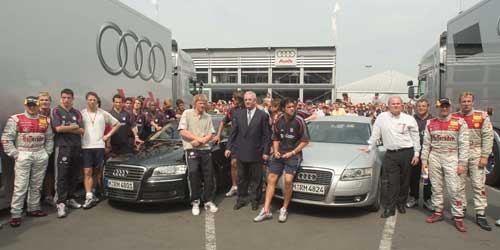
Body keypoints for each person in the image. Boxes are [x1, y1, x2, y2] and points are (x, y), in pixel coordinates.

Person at [362, 96, 420, 218]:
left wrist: (416, 153)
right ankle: (390, 208)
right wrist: (369, 147)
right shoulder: (381, 118)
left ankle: (401, 203)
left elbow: (415, 137)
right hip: (391, 154)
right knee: (392, 182)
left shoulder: (409, 119)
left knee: (405, 181)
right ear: (388, 105)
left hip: (407, 153)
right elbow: (375, 134)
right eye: (393, 103)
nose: (396, 105)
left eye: (398, 103)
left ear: (402, 105)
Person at [254, 97, 310, 223]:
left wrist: (292, 152)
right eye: (289, 107)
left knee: (288, 181)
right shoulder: (278, 120)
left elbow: (305, 141)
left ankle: (284, 208)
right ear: (283, 109)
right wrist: (276, 150)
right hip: (280, 154)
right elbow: (275, 138)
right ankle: (266, 210)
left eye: (293, 106)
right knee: (271, 178)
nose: (292, 109)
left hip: (293, 155)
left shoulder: (299, 121)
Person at [2, 96, 53, 227]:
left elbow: (49, 138)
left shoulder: (44, 119)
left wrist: (47, 153)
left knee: (37, 184)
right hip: (23, 153)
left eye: (34, 105)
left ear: (38, 105)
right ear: (25, 105)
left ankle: (33, 208)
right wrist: (15, 154)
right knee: (20, 186)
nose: (31, 107)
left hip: (40, 153)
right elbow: (6, 139)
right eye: (29, 105)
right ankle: (16, 214)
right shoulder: (16, 119)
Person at [421, 98, 469, 232]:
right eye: (442, 106)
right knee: (436, 187)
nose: (444, 109)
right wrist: (424, 161)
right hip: (434, 156)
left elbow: (464, 145)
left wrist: (462, 163)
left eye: (446, 106)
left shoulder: (459, 122)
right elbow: (426, 144)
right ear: (438, 108)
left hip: (451, 156)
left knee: (454, 188)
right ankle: (438, 212)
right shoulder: (430, 123)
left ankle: (458, 216)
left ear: (450, 107)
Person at [453, 92, 494, 231]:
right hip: (460, 155)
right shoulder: (454, 117)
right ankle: (461, 208)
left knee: (478, 184)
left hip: (476, 152)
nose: (466, 103)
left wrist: (485, 156)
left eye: (468, 101)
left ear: (473, 102)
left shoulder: (481, 116)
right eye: (463, 101)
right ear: (460, 103)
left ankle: (480, 214)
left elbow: (488, 137)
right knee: (459, 184)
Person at [226, 91, 271, 211]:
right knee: (241, 178)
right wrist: (228, 147)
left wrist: (266, 152)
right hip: (241, 151)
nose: (247, 102)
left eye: (250, 100)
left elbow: (267, 136)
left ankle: (255, 200)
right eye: (245, 100)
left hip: (257, 152)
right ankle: (241, 199)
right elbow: (233, 133)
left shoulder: (262, 115)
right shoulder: (238, 114)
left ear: (255, 101)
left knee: (256, 179)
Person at [178, 94, 218, 216]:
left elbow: (211, 134)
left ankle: (208, 201)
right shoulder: (187, 113)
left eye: (204, 103)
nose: (203, 105)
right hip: (191, 149)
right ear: (195, 103)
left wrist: (202, 141)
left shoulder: (208, 116)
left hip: (205, 149)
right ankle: (195, 201)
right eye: (200, 103)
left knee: (209, 175)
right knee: (194, 173)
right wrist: (197, 139)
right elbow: (182, 131)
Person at [81, 92, 121, 209]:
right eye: (90, 99)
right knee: (87, 171)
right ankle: (88, 196)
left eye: (94, 100)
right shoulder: (81, 114)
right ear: (86, 100)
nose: (92, 102)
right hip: (86, 147)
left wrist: (107, 136)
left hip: (99, 146)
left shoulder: (103, 113)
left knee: (97, 171)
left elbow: (117, 124)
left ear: (97, 101)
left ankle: (93, 191)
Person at [52, 88, 84, 218]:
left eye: (68, 98)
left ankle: (70, 198)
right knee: (62, 176)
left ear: (72, 99)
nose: (66, 100)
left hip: (76, 146)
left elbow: (81, 130)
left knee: (74, 175)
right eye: (64, 97)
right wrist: (73, 126)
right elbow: (58, 128)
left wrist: (69, 128)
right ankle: (61, 203)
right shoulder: (56, 111)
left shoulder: (77, 112)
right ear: (60, 98)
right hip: (63, 147)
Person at [213, 91, 244, 197]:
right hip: (235, 142)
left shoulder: (248, 110)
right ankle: (234, 186)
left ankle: (246, 187)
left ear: (239, 99)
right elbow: (223, 122)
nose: (232, 100)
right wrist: (218, 135)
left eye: (234, 98)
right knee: (233, 163)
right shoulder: (232, 110)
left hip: (247, 142)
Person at [407, 99, 433, 211]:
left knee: (427, 178)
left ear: (428, 107)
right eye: (419, 106)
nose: (421, 108)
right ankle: (414, 197)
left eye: (423, 106)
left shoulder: (432, 120)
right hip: (415, 155)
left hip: (427, 155)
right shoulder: (411, 120)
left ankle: (427, 200)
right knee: (414, 177)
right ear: (415, 108)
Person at [38, 91, 56, 206]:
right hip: (37, 148)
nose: (44, 102)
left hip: (52, 147)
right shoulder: (34, 113)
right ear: (38, 101)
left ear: (50, 101)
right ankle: (35, 198)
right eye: (42, 100)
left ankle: (48, 196)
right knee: (38, 173)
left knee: (50, 172)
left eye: (46, 100)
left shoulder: (54, 113)